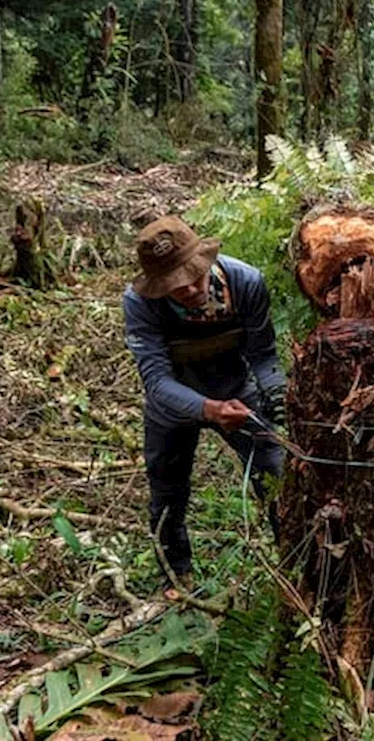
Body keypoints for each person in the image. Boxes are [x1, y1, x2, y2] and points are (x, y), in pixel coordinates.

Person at [122, 216, 286, 585]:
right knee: (167, 493)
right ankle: (176, 579)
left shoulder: (245, 282)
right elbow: (156, 380)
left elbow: (263, 355)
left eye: (194, 277)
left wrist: (276, 396)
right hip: (172, 407)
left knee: (276, 477)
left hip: (237, 391)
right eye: (176, 286)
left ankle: (296, 565)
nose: (191, 290)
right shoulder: (140, 304)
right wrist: (207, 409)